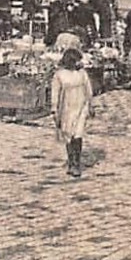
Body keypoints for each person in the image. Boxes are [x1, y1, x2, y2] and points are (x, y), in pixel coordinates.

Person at [51, 48, 94, 179]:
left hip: (81, 107)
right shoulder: (59, 75)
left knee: (78, 135)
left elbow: (88, 90)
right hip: (66, 108)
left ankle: (76, 163)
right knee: (68, 135)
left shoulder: (82, 74)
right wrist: (54, 110)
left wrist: (90, 105)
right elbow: (55, 94)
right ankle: (71, 161)